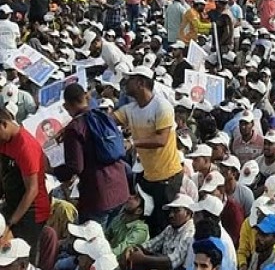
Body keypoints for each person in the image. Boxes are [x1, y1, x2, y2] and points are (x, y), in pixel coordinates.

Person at [113, 66, 183, 236]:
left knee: (164, 224)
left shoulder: (162, 106)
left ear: (140, 83)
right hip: (149, 177)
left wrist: (133, 143)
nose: (125, 83)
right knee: (149, 222)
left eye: (130, 80)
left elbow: (161, 139)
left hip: (167, 178)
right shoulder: (131, 109)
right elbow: (110, 119)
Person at [56, 83, 130, 228]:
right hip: (120, 190)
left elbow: (75, 166)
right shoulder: (104, 116)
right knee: (106, 243)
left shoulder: (74, 128)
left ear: (66, 106)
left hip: (98, 196)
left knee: (90, 245)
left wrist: (52, 170)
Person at [0, 109, 50, 256]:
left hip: (31, 212)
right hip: (12, 203)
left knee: (22, 256)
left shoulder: (25, 145)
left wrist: (11, 223)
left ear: (4, 124)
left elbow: (32, 190)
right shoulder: (4, 141)